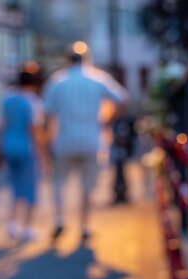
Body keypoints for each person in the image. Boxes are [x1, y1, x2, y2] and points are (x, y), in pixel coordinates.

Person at [43, 41, 129, 245]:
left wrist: (47, 140)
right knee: (88, 185)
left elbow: (46, 113)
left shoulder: (57, 81)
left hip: (64, 140)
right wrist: (107, 120)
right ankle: (84, 226)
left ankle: (59, 220)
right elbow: (123, 98)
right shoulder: (98, 79)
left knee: (58, 183)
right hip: (92, 139)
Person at [0, 61, 48, 242]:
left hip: (8, 146)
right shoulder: (32, 101)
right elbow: (34, 131)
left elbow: (3, 125)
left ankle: (12, 224)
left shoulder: (8, 98)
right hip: (27, 148)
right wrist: (44, 158)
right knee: (30, 188)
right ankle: (27, 228)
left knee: (15, 187)